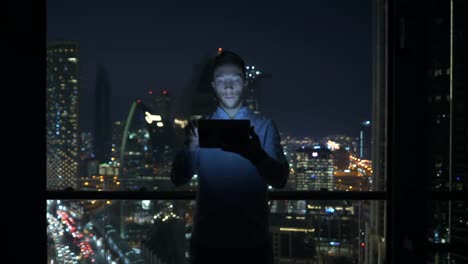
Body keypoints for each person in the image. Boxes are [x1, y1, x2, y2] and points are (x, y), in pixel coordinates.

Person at [171, 50, 289, 263]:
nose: (228, 87)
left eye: (235, 80)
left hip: (252, 245)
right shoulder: (200, 130)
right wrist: (190, 147)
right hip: (208, 244)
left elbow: (280, 179)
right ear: (213, 86)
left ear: (245, 84)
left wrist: (256, 155)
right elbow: (178, 179)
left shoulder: (264, 127)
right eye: (221, 80)